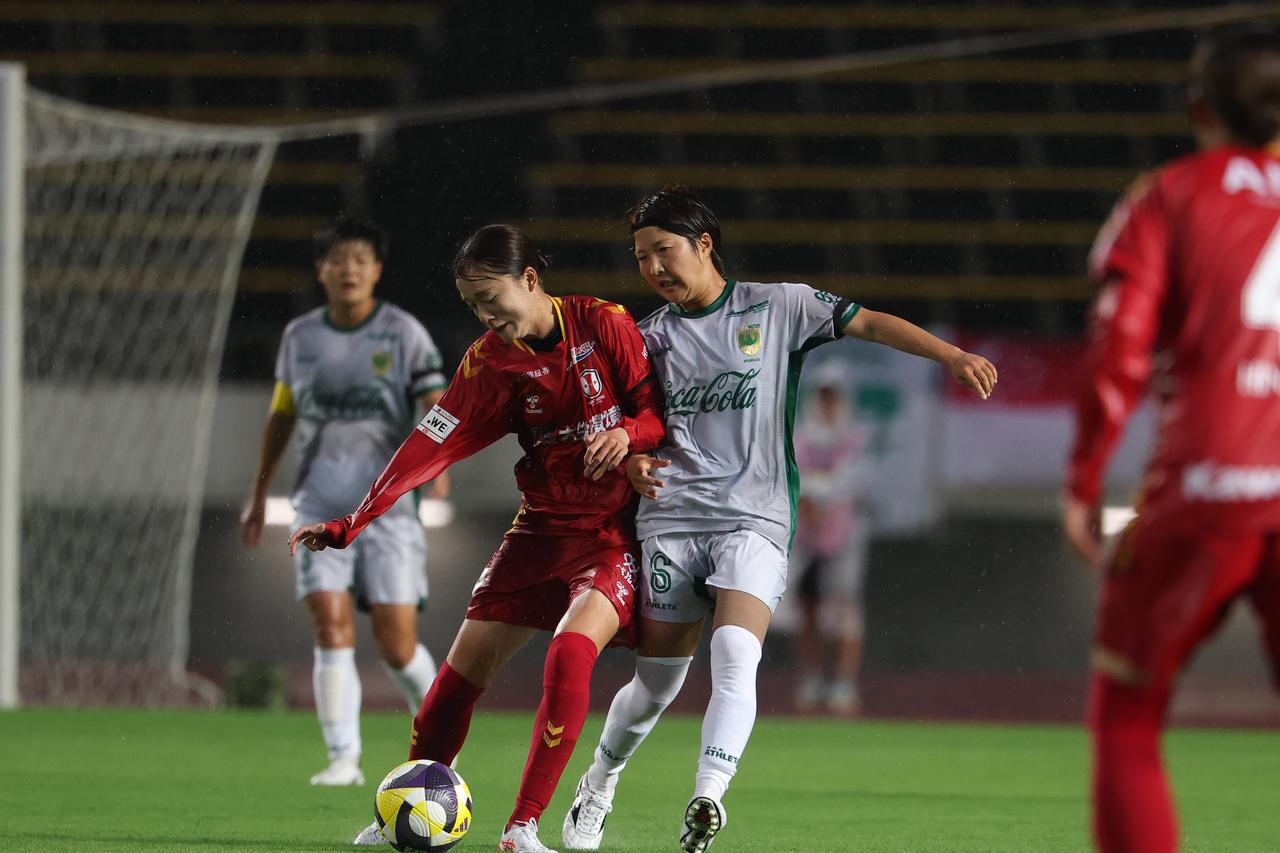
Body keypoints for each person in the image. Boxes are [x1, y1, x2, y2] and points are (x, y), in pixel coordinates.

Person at [560, 185, 997, 852]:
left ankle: (707, 796)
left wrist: (950, 355)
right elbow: (621, 426)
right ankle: (599, 783)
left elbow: (871, 321)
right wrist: (630, 465)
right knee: (655, 685)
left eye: (663, 251)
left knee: (737, 651)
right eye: (641, 257)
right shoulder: (645, 338)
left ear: (705, 244)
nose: (652, 268)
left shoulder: (779, 305)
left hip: (754, 518)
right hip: (672, 521)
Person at [289, 224, 665, 853]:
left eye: (493, 298)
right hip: (539, 529)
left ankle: (522, 827)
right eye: (472, 306)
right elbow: (429, 442)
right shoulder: (491, 361)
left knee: (570, 655)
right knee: (451, 688)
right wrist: (355, 519)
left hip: (608, 535)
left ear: (530, 280)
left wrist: (630, 434)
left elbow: (655, 410)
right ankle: (399, 816)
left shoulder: (605, 324)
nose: (487, 315)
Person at [1061, 27, 1280, 853]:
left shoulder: (1168, 195)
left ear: (1199, 109)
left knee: (1128, 718)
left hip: (1207, 489)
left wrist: (1083, 482)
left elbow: (1116, 351)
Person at [241, 218, 449, 786]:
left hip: (387, 507)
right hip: (317, 505)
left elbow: (437, 397)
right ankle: (343, 759)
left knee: (396, 645)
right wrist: (260, 493)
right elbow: (281, 414)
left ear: (376, 270)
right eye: (338, 259)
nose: (349, 268)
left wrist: (440, 464)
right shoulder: (299, 337)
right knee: (330, 626)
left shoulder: (403, 333)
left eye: (361, 258)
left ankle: (440, 741)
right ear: (321, 271)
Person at [789, 370, 873, 717]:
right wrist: (812, 499)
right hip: (808, 535)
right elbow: (794, 478)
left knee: (846, 607)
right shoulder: (802, 437)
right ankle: (811, 678)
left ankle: (843, 683)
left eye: (833, 396)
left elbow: (855, 480)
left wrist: (820, 495)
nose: (827, 402)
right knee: (807, 607)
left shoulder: (856, 437)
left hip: (843, 536)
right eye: (823, 395)